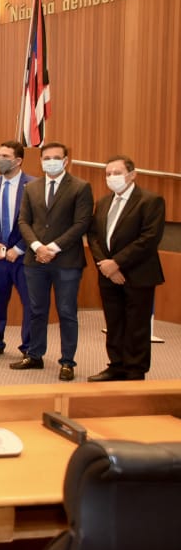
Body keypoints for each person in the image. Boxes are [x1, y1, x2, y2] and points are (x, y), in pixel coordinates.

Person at [13, 141, 94, 381]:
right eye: (46, 158)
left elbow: (81, 224)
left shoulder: (81, 187)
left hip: (66, 261)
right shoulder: (32, 188)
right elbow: (23, 222)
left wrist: (53, 248)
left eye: (56, 157)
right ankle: (35, 355)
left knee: (67, 312)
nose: (51, 161)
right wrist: (38, 247)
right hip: (35, 260)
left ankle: (67, 361)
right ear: (40, 161)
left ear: (66, 160)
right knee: (37, 310)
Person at [86, 156, 165, 382]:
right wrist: (106, 265)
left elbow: (149, 239)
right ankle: (116, 365)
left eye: (117, 172)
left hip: (138, 273)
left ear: (132, 175)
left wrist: (117, 263)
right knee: (114, 322)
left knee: (136, 325)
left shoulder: (150, 201)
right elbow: (93, 236)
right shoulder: (103, 202)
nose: (112, 177)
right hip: (108, 274)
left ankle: (134, 370)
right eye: (108, 173)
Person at [0, 141, 35, 358]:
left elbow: (36, 222)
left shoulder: (33, 185)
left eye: (5, 156)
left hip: (23, 256)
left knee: (30, 303)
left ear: (18, 160)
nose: (0, 159)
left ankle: (28, 348)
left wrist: (19, 248)